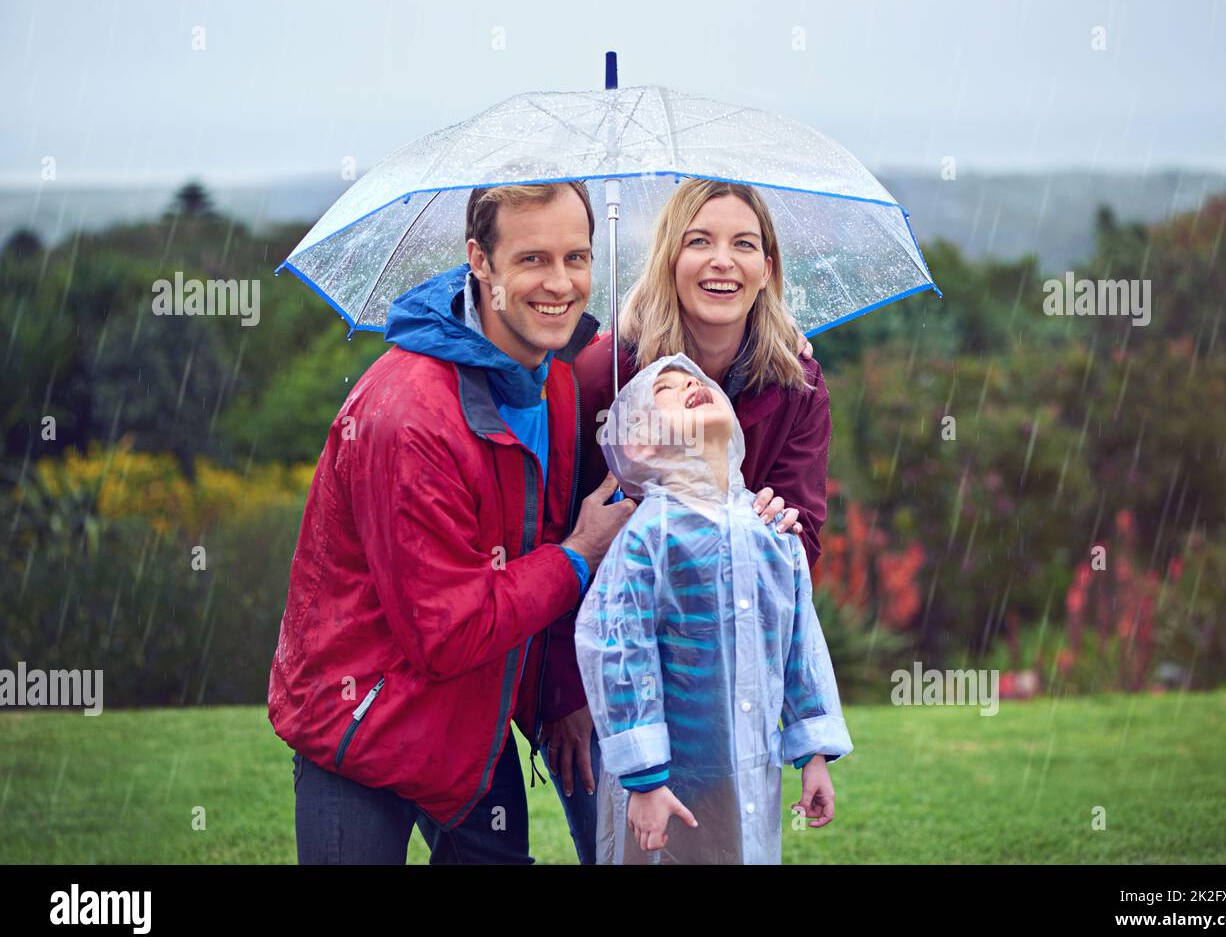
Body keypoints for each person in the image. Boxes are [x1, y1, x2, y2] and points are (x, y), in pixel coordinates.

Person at [267, 181, 635, 864]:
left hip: (471, 725)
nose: (561, 284)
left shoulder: (554, 379)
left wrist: (559, 693)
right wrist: (579, 555)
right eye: (532, 259)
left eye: (577, 258)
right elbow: (448, 631)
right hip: (362, 723)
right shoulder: (410, 416)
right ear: (480, 261)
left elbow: (528, 544)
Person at [540, 179, 833, 863]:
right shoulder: (606, 374)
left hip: (726, 673)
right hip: (613, 671)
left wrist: (778, 524)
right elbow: (559, 536)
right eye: (699, 241)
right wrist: (564, 695)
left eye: (744, 244)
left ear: (767, 268)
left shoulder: (797, 382)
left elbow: (800, 544)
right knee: (626, 844)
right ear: (670, 257)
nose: (722, 260)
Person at [575, 353, 851, 864]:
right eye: (666, 391)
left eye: (694, 380)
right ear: (640, 443)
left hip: (749, 766)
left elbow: (799, 646)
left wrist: (813, 753)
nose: (688, 385)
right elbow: (617, 650)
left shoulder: (774, 532)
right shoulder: (648, 537)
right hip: (664, 780)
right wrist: (644, 776)